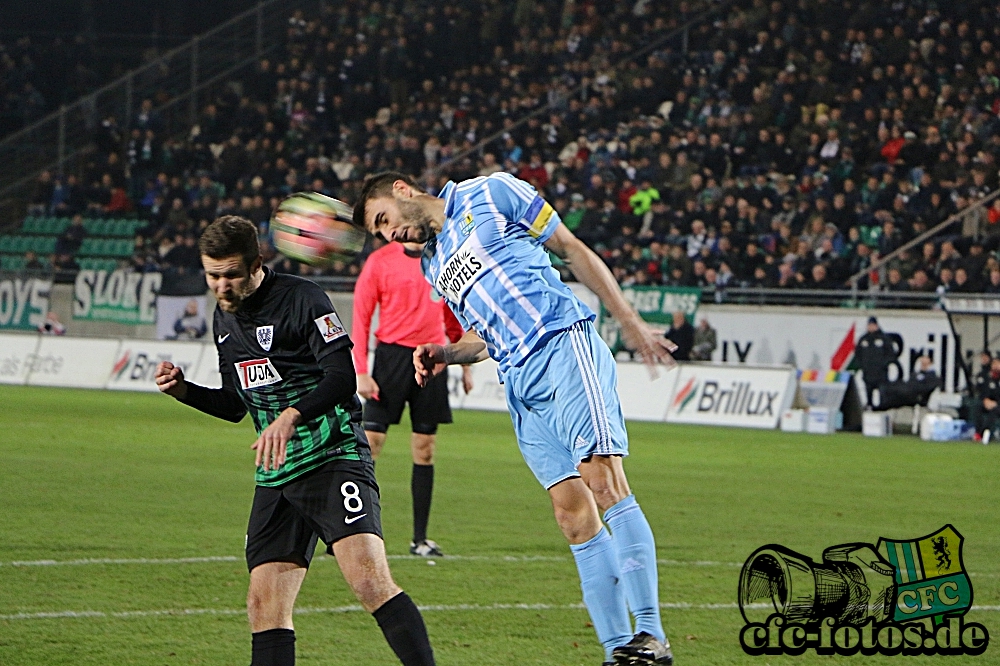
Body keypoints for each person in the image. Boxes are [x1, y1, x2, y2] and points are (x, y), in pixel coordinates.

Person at [355, 171, 677, 666]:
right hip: (519, 381)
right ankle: (620, 653)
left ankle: (652, 634)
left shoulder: (490, 191)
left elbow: (570, 247)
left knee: (603, 480)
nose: (389, 234)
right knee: (572, 516)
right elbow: (483, 335)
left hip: (562, 345)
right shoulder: (432, 265)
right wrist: (448, 351)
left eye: (384, 220)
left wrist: (629, 322)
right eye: (379, 234)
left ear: (401, 190)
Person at [153, 216, 435, 666]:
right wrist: (183, 390)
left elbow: (343, 378)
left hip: (333, 456)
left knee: (369, 582)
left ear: (256, 264)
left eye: (230, 275)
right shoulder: (223, 319)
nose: (221, 286)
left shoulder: (303, 299)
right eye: (213, 275)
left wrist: (291, 415)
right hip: (276, 473)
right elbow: (233, 404)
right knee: (264, 605)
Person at [352, 239, 473, 557]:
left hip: (433, 360)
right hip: (390, 359)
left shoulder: (442, 258)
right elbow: (362, 317)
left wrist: (465, 363)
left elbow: (451, 315)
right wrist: (362, 370)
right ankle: (354, 534)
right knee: (370, 445)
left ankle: (419, 540)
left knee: (425, 449)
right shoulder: (380, 261)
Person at [855, 316, 897, 408]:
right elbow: (857, 354)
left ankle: (882, 407)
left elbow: (891, 354)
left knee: (882, 393)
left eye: (873, 325)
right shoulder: (863, 339)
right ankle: (869, 405)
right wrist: (863, 366)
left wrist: (883, 364)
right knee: (868, 392)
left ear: (877, 326)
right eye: (869, 325)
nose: (871, 327)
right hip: (868, 373)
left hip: (881, 374)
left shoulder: (884, 338)